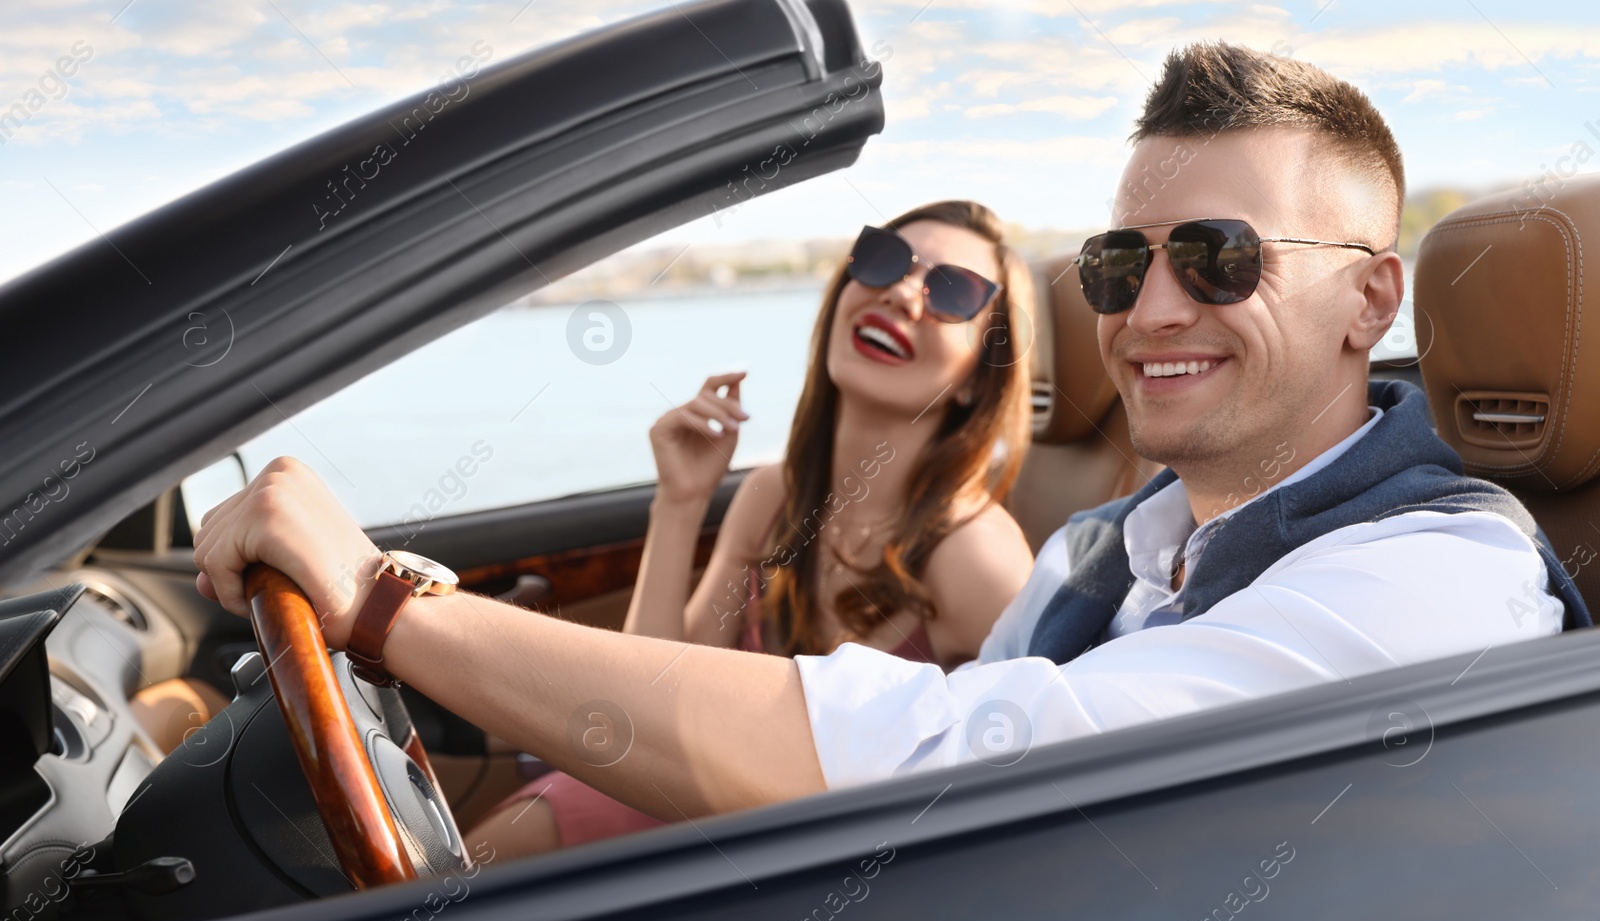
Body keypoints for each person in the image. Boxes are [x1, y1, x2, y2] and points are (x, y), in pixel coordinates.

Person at [192, 42, 1589, 830]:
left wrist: (392, 607)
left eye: (1219, 256)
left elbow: (966, 752)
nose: (1152, 306)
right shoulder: (1112, 547)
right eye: (1119, 264)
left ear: (1370, 297)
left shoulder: (1436, 575)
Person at [470, 201, 1038, 855]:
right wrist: (680, 503)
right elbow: (648, 694)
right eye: (884, 259)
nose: (905, 294)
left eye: (952, 291)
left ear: (976, 381)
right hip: (687, 814)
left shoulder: (975, 557)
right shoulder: (776, 494)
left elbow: (1015, 797)